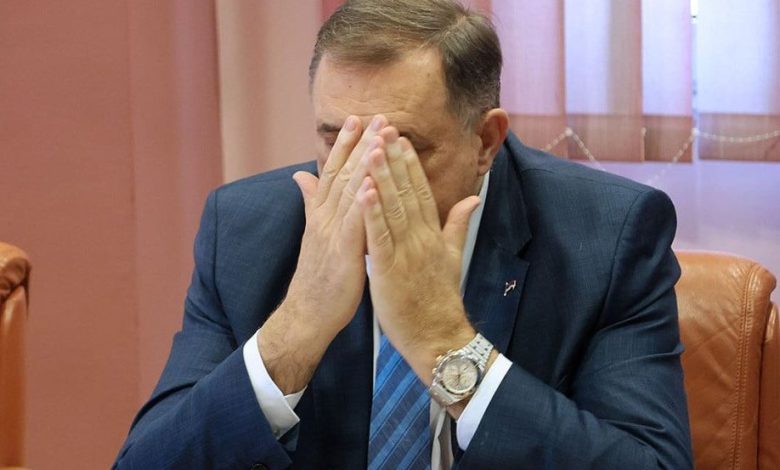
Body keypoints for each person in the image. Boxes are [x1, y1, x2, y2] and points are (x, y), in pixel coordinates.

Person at [114, 0, 692, 468]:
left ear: (485, 141)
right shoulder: (245, 230)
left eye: (401, 147)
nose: (364, 179)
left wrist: (445, 344)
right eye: (336, 140)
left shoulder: (607, 235)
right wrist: (296, 329)